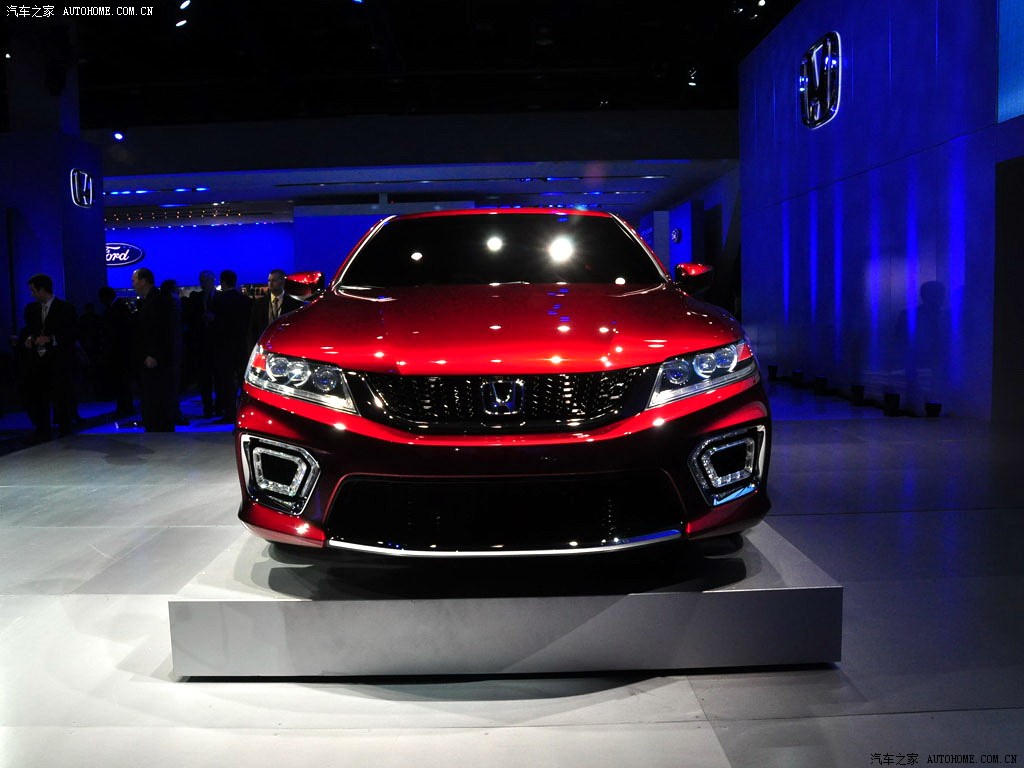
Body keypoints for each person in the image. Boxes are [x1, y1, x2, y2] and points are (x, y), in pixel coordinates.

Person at [18, 274, 78, 440]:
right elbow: (30, 330)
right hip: (38, 361)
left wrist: (51, 338)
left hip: (58, 361)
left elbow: (72, 333)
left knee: (61, 396)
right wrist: (30, 338)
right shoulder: (32, 310)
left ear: (42, 289)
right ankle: (42, 428)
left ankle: (65, 428)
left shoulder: (65, 308)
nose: (32, 294)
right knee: (38, 396)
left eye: (33, 290)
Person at [131, 267, 177, 432]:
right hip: (153, 356)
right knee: (153, 393)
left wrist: (153, 354)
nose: (133, 284)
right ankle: (156, 424)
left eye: (134, 280)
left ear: (143, 281)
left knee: (156, 393)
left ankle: (159, 425)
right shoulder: (151, 299)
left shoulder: (156, 299)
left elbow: (159, 329)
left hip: (156, 358)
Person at [210, 269, 252, 421]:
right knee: (243, 381)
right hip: (241, 346)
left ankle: (229, 412)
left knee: (226, 383)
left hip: (223, 347)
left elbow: (214, 324)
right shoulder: (245, 301)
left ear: (223, 282)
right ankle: (246, 411)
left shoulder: (217, 301)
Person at [183, 270, 218, 418]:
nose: (204, 283)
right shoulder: (196, 298)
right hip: (201, 346)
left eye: (206, 280)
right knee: (204, 379)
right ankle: (208, 407)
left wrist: (215, 319)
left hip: (217, 345)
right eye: (202, 280)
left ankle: (219, 406)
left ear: (213, 280)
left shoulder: (219, 298)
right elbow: (189, 318)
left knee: (219, 378)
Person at [97, 285, 135, 416]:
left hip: (118, 352)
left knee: (121, 381)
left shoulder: (115, 309)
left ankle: (125, 407)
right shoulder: (119, 308)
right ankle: (125, 406)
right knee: (123, 381)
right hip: (121, 351)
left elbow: (114, 332)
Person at [248, 269, 302, 348]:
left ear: (282, 282)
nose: (270, 283)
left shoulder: (295, 303)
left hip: (285, 346)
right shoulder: (259, 303)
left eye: (273, 280)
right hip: (263, 347)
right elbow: (253, 330)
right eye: (269, 280)